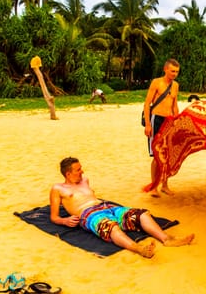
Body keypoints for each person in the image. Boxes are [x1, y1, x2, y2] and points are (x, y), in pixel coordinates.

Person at [50, 157, 195, 258]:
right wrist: (65, 221)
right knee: (110, 227)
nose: (82, 171)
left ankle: (167, 239)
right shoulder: (58, 188)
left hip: (105, 206)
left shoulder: (85, 180)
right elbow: (54, 217)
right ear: (68, 174)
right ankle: (139, 249)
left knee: (142, 214)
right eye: (78, 170)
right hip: (88, 215)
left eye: (81, 168)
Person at [143, 59, 180, 197]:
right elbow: (147, 104)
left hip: (169, 121)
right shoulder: (156, 82)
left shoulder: (175, 85)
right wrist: (147, 124)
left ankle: (165, 185)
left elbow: (174, 105)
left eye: (176, 71)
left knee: (168, 155)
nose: (174, 74)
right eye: (172, 71)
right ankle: (154, 187)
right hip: (156, 120)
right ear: (165, 70)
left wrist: (177, 121)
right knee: (156, 155)